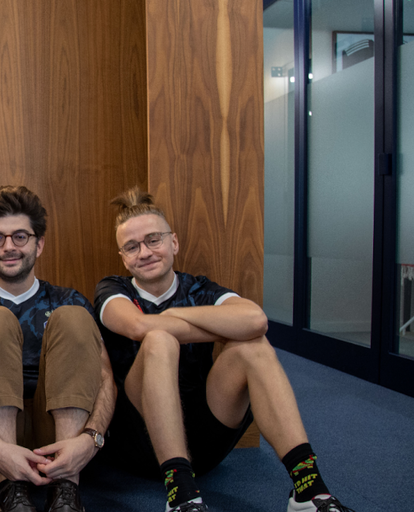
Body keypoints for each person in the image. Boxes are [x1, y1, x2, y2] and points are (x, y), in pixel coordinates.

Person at [94, 187, 353, 512]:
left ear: (173, 242)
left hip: (205, 440)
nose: (144, 252)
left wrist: (173, 316)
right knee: (159, 339)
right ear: (123, 257)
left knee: (252, 346)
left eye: (153, 240)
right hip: (141, 442)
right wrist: (213, 326)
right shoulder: (113, 289)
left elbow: (256, 320)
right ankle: (182, 496)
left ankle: (309, 491)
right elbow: (138, 326)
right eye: (132, 247)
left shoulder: (199, 288)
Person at [0, 185, 116, 512]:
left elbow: (105, 378)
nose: (9, 247)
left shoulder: (70, 300)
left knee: (74, 317)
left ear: (39, 244)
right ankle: (11, 490)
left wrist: (91, 439)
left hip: (61, 435)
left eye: (20, 236)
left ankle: (66, 491)